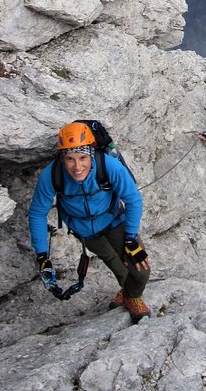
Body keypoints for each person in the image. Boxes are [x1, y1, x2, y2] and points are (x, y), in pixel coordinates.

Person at [28, 122, 151, 323]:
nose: (77, 167)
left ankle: (131, 295)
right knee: (116, 265)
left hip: (114, 221)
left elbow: (133, 199)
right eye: (70, 159)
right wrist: (42, 255)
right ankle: (131, 296)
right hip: (85, 230)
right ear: (62, 158)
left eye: (83, 158)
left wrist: (130, 239)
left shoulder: (109, 166)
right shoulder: (51, 175)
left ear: (91, 154)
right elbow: (37, 214)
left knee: (141, 271)